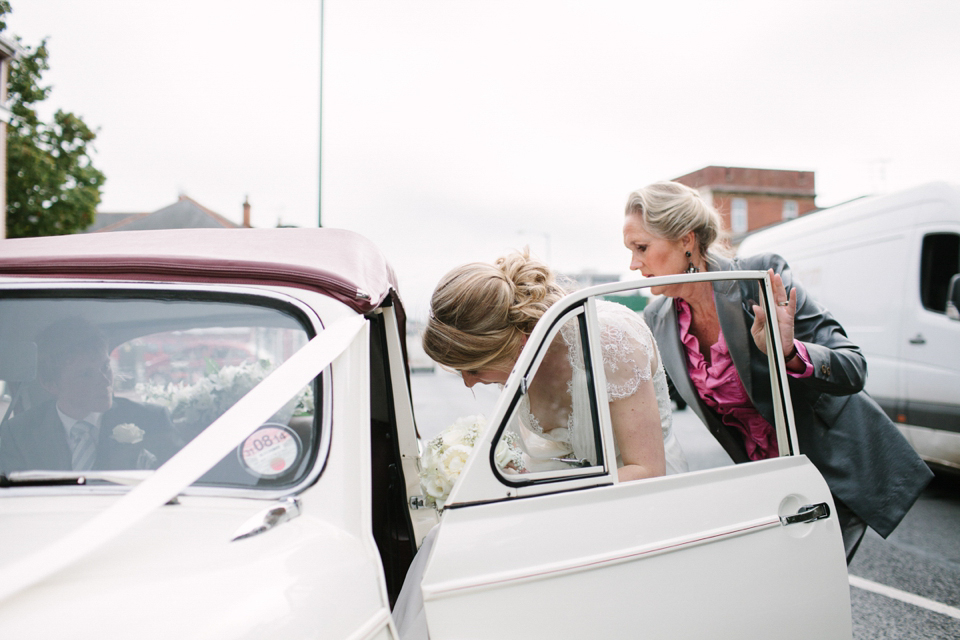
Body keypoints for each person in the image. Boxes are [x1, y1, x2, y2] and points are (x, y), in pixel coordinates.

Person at [625, 180, 933, 562]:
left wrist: (789, 352)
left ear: (686, 240)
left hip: (830, 472)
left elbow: (853, 368)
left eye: (641, 248)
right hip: (770, 486)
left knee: (810, 592)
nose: (633, 264)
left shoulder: (759, 279)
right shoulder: (658, 318)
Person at [422, 249, 687, 481]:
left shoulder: (610, 340)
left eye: (473, 369)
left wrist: (544, 493)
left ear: (518, 344)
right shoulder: (517, 358)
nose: (469, 382)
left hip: (639, 497)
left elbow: (647, 470)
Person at [0, 317, 181, 473]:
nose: (105, 381)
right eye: (86, 374)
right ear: (51, 385)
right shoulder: (18, 435)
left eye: (105, 367)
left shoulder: (152, 420)